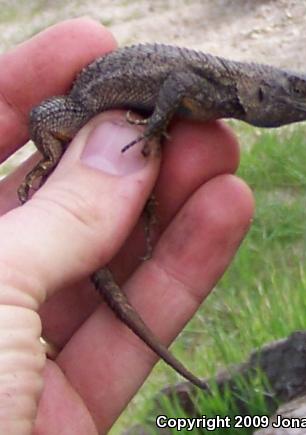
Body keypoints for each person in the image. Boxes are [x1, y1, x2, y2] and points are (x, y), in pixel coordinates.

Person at [0, 18, 254, 434]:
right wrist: (52, 161)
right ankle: (62, 165)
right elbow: (46, 118)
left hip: (116, 104)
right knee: (45, 116)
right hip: (86, 106)